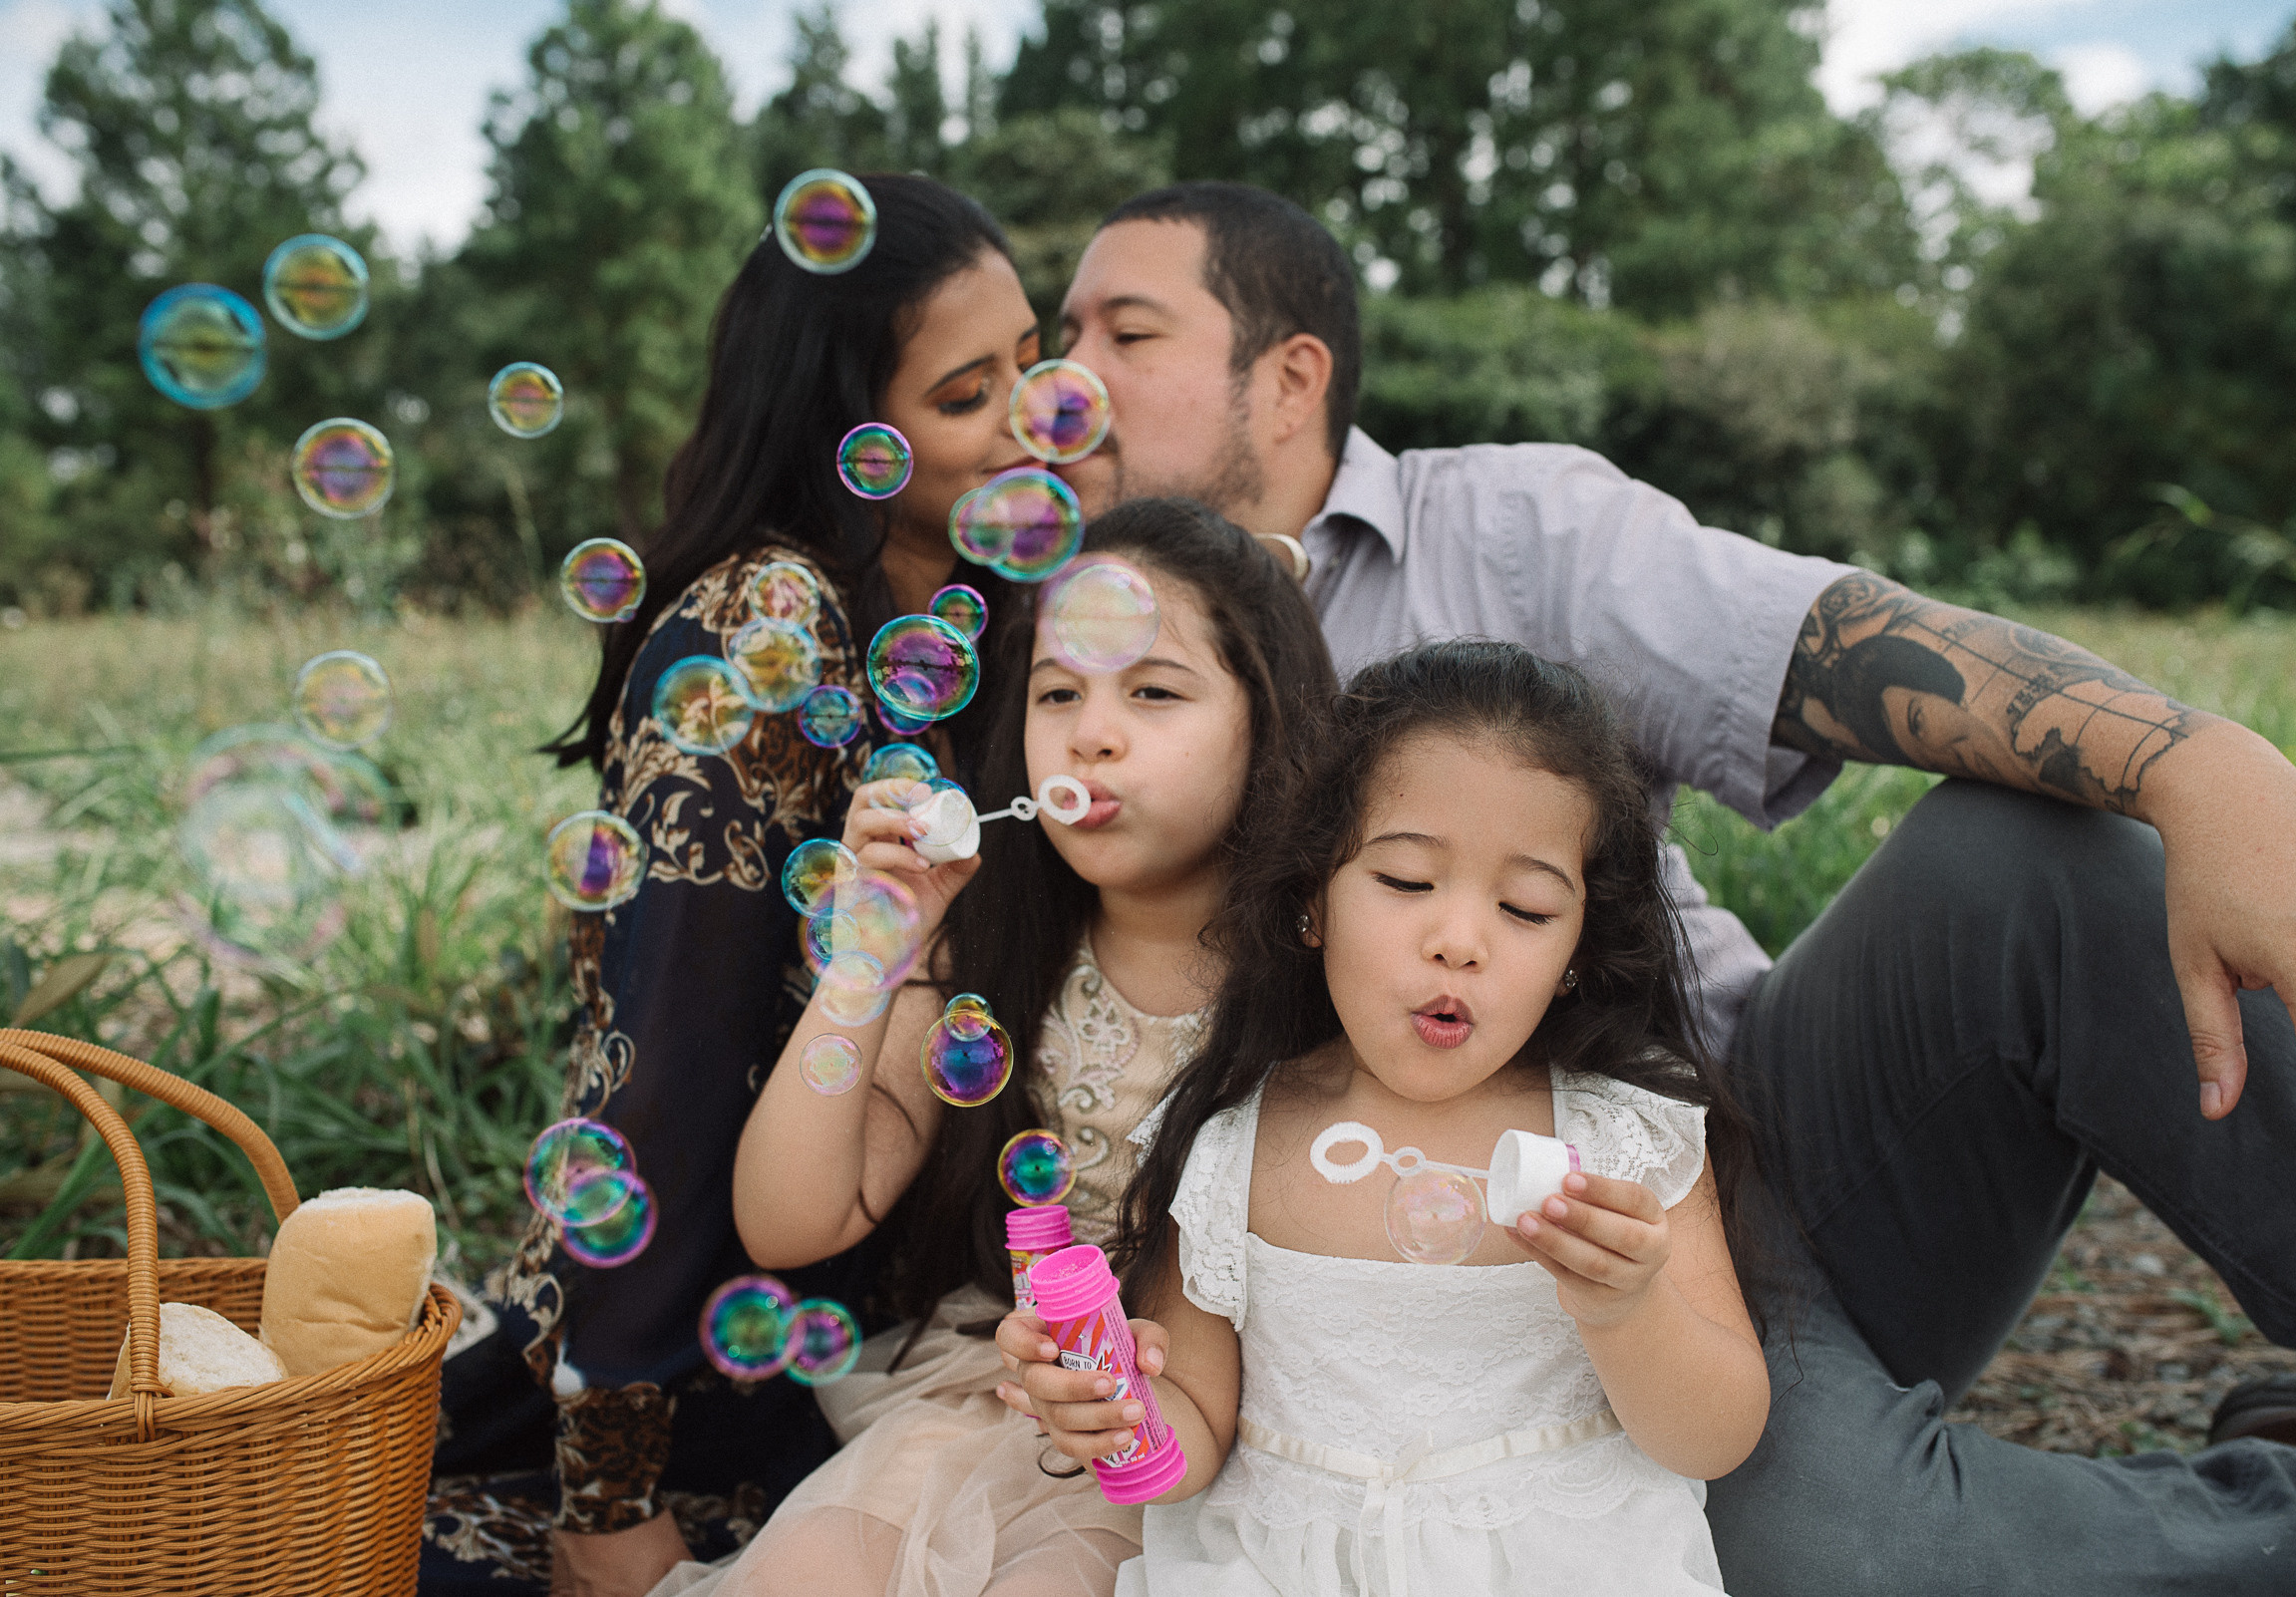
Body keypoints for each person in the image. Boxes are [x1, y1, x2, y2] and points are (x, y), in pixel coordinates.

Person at [1046, 179, 2296, 1593]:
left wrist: (2203, 764)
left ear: (1290, 375)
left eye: (1123, 331)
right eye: (1050, 335)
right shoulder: (1056, 644)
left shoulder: (1508, 529)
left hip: (1732, 1156)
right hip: (1422, 1342)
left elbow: (1831, 645)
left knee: (2029, 855)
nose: (1061, 377)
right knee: (1798, 1556)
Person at [420, 174, 1044, 1597]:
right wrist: (610, 1482)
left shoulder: (971, 603)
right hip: (701, 1341)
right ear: (852, 432)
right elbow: (667, 1062)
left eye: (1032, 358)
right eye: (968, 391)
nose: (1029, 415)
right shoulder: (768, 622)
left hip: (882, 1318)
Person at [643, 498, 1338, 1597]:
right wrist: (874, 950)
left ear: (1272, 713)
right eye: (1058, 692)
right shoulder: (997, 948)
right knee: (807, 1573)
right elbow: (791, 1219)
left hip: (1234, 1432)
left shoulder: (1330, 968)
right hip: (1004, 1392)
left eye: (1153, 690)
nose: (1091, 731)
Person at [1002, 639, 1769, 1592]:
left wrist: (1630, 1306)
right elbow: (1191, 1433)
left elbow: (1716, 1437)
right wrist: (1112, 1404)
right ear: (1312, 899)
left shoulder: (1621, 1141)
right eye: (1406, 882)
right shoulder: (1231, 1142)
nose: (1459, 942)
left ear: (1579, 947)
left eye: (1527, 908)